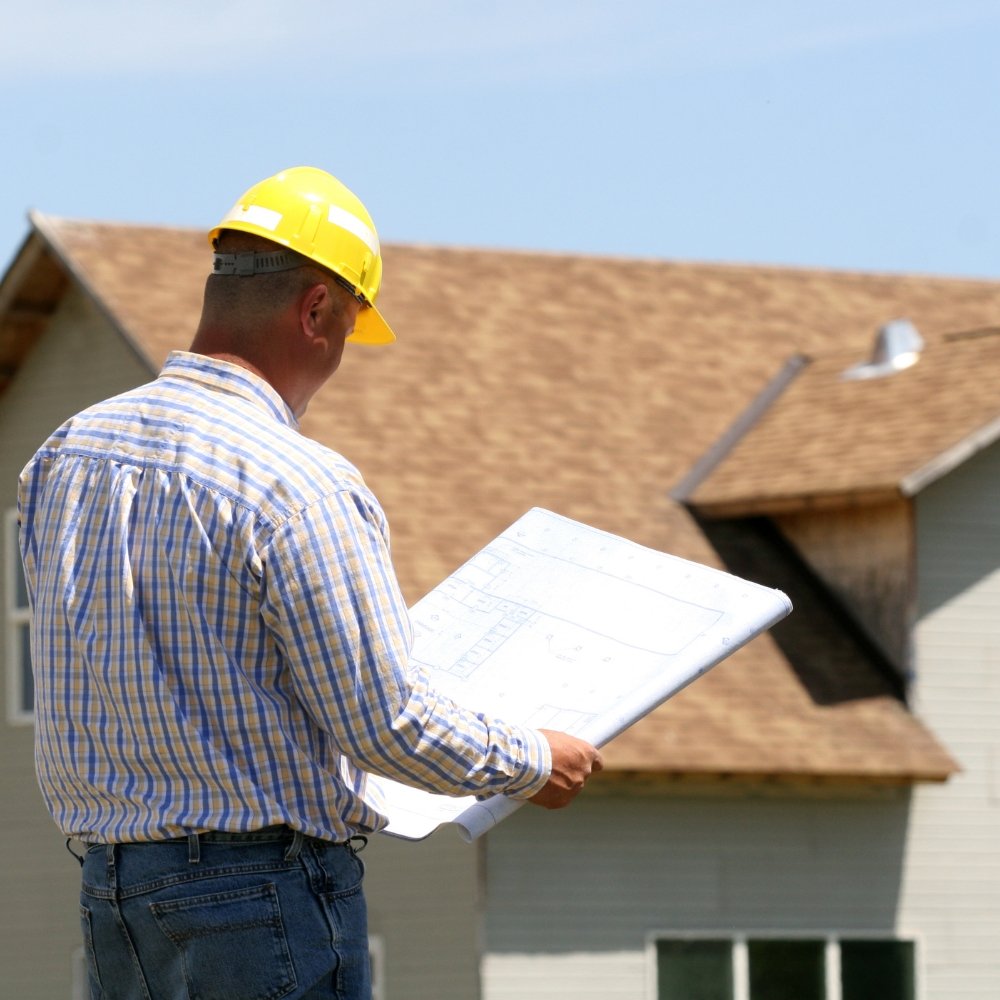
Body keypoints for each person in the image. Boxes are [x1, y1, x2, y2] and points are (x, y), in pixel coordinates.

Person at [17, 166, 603, 1000]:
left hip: (113, 894)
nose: (335, 362)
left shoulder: (65, 455)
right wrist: (532, 760)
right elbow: (384, 721)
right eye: (347, 329)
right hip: (261, 895)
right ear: (317, 308)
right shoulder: (299, 486)